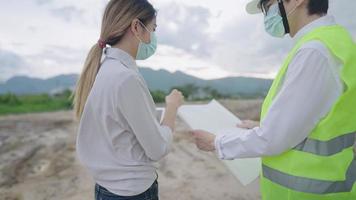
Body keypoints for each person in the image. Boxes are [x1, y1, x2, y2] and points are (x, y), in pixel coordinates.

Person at [191, 0, 356, 199]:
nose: (267, 15)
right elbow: (317, 120)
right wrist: (261, 125)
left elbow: (274, 139)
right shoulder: (334, 41)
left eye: (268, 6)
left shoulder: (314, 51)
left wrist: (217, 142)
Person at [73, 0, 184, 199]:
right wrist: (172, 108)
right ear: (136, 27)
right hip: (132, 192)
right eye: (153, 28)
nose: (153, 36)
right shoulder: (126, 78)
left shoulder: (105, 70)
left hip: (107, 189)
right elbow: (158, 149)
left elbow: (123, 122)